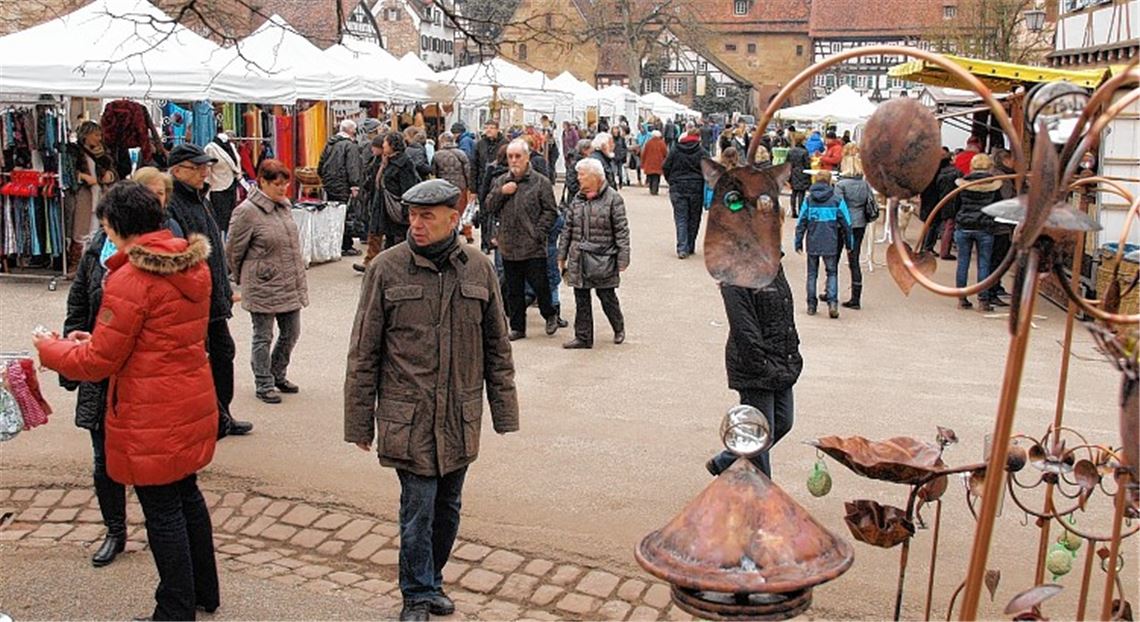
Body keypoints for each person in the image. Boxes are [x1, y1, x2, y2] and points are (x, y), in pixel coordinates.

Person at [36, 181, 221, 621]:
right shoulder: (189, 264)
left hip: (151, 409)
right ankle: (203, 592)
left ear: (118, 226)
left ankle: (174, 610)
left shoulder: (131, 279)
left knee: (163, 510)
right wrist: (90, 339)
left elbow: (100, 361)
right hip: (187, 399)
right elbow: (150, 338)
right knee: (186, 495)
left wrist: (50, 350)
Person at [344, 178, 518, 622]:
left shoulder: (478, 269)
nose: (416, 224)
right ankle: (417, 593)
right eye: (412, 215)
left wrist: (504, 411)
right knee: (418, 509)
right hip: (409, 417)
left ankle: (432, 579)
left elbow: (497, 346)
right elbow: (364, 350)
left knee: (448, 509)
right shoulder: (387, 268)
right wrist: (360, 421)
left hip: (460, 415)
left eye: (427, 216)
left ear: (453, 218)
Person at [58, 169, 179, 570]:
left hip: (139, 380)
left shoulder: (166, 249)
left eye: (161, 194)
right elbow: (79, 304)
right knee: (103, 461)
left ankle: (165, 542)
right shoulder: (98, 249)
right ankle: (115, 529)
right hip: (100, 372)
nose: (158, 200)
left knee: (151, 470)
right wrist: (70, 350)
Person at [167, 144, 253, 438]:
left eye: (205, 167)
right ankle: (212, 417)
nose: (205, 173)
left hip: (213, 296)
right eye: (198, 167)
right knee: (204, 359)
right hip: (194, 300)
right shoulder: (173, 205)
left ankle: (222, 414)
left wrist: (224, 289)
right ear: (178, 170)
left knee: (222, 353)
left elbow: (212, 248)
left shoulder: (199, 198)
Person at [705, 262, 802, 477]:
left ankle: (727, 460)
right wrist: (760, 364)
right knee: (759, 434)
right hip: (755, 366)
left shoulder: (774, 264)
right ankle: (762, 492)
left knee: (783, 422)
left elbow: (784, 313)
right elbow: (743, 327)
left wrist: (792, 352)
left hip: (781, 360)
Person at [226, 159, 308, 404]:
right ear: (262, 182)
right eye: (277, 184)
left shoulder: (283, 206)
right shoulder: (246, 211)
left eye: (285, 184)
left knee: (291, 332)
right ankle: (263, 382)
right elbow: (233, 250)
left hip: (288, 280)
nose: (282, 189)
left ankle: (277, 372)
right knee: (263, 335)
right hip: (263, 282)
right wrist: (243, 277)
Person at [485, 139, 561, 340]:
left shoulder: (540, 182)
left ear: (527, 157)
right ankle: (518, 327)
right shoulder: (501, 181)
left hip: (532, 245)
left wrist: (538, 232)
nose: (513, 160)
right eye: (510, 156)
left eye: (517, 156)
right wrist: (502, 192)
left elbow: (550, 211)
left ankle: (550, 314)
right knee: (514, 289)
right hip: (508, 244)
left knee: (540, 285)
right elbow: (489, 206)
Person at [559, 158, 631, 349]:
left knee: (607, 297)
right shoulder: (577, 198)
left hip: (603, 259)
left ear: (594, 177)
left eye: (581, 175)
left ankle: (618, 327)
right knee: (581, 299)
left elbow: (621, 231)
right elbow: (567, 229)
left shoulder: (613, 199)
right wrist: (561, 255)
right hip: (579, 258)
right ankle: (583, 337)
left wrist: (623, 258)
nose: (578, 178)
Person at [795, 170, 854, 318]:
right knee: (832, 273)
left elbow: (801, 221)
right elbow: (846, 223)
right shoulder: (837, 200)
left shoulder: (809, 200)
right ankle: (832, 303)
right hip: (830, 241)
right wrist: (849, 243)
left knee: (812, 274)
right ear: (829, 182)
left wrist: (798, 241)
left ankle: (811, 305)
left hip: (813, 241)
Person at [67, 121, 118, 274]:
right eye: (96, 135)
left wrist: (109, 175)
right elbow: (69, 172)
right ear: (86, 135)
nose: (99, 138)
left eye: (99, 135)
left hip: (100, 193)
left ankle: (94, 265)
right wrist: (82, 176)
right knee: (80, 229)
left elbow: (113, 171)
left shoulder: (103, 153)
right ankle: (76, 264)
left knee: (97, 229)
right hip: (84, 194)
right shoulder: (75, 152)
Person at [952, 153, 1002, 312]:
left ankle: (962, 298)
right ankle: (983, 300)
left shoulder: (963, 184)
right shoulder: (994, 185)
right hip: (985, 227)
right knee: (984, 263)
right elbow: (998, 207)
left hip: (964, 225)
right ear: (989, 167)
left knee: (963, 262)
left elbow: (955, 205)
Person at [835, 144, 878, 310]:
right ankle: (856, 297)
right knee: (854, 260)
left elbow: (838, 206)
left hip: (842, 224)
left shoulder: (841, 185)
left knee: (834, 258)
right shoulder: (864, 184)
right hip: (859, 223)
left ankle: (831, 290)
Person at [318, 119, 364, 256]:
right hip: (343, 185)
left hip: (330, 184)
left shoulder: (330, 144)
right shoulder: (350, 146)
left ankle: (334, 244)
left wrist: (325, 178)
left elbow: (321, 164)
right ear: (351, 130)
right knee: (345, 215)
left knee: (333, 214)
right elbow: (353, 166)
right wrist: (354, 185)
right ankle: (346, 245)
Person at [663, 127, 707, 259]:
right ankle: (690, 245)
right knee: (694, 218)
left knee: (681, 218)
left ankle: (682, 248)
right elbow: (709, 170)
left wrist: (671, 180)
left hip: (678, 186)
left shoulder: (675, 150)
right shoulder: (702, 152)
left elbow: (666, 166)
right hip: (696, 187)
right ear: (698, 138)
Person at [378, 132, 422, 251]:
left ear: (392, 145)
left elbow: (408, 186)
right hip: (387, 207)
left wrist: (405, 209)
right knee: (389, 238)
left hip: (398, 207)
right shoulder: (387, 161)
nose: (383, 145)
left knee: (399, 238)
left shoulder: (404, 163)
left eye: (385, 142)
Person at [432, 132, 472, 242]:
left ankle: (449, 233)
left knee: (447, 210)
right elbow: (467, 171)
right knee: (462, 210)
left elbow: (434, 172)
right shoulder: (461, 154)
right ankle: (467, 234)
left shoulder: (437, 155)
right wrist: (470, 187)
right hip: (460, 185)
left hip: (444, 186)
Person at [987, 148, 1015, 307]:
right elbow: (1006, 201)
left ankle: (994, 288)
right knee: (997, 260)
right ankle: (991, 291)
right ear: (1005, 160)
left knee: (994, 259)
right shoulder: (1003, 179)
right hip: (1000, 224)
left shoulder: (993, 174)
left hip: (994, 223)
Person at [473, 121, 506, 252]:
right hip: (483, 183)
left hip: (499, 183)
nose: (489, 130)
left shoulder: (504, 143)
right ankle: (485, 243)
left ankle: (496, 240)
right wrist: (473, 188)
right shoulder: (480, 144)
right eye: (487, 128)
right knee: (484, 215)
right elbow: (474, 166)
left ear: (497, 129)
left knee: (497, 215)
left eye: (492, 128)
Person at [919, 147, 959, 256]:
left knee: (930, 224)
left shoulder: (929, 169)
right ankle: (927, 247)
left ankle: (926, 247)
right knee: (933, 224)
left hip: (928, 198)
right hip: (934, 199)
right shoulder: (942, 170)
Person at [203, 131, 242, 236]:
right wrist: (206, 191)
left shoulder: (231, 146)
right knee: (219, 221)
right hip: (218, 188)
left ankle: (228, 240)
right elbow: (207, 171)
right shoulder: (210, 148)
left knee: (231, 219)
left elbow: (236, 164)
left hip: (232, 186)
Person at [786, 135, 812, 219]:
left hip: (793, 172)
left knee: (794, 193)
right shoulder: (804, 152)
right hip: (802, 172)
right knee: (801, 193)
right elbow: (807, 165)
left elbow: (787, 163)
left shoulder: (790, 151)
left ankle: (793, 211)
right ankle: (801, 211)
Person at [640, 130, 667, 196]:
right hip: (658, 163)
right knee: (656, 177)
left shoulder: (648, 143)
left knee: (650, 176)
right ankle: (655, 190)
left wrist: (643, 162)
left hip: (649, 163)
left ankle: (651, 188)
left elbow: (644, 153)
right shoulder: (662, 143)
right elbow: (665, 153)